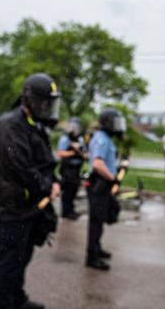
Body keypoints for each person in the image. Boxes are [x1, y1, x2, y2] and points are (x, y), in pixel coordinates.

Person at [0, 73, 62, 309]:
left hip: (32, 206)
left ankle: (17, 298)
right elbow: (20, 164)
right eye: (44, 102)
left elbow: (44, 161)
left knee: (23, 257)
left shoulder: (35, 124)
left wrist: (55, 181)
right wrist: (46, 186)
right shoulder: (10, 124)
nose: (48, 108)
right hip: (15, 207)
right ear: (30, 100)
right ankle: (3, 304)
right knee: (10, 261)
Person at [86, 107, 126, 271]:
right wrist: (113, 177)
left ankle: (97, 249)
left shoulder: (104, 137)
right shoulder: (102, 139)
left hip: (102, 185)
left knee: (100, 219)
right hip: (99, 184)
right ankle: (92, 257)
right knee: (96, 221)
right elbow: (97, 164)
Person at [56, 117, 87, 220]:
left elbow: (85, 152)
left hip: (77, 168)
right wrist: (73, 152)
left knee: (74, 190)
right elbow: (60, 153)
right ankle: (66, 212)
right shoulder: (65, 138)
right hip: (68, 168)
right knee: (67, 191)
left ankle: (71, 210)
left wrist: (82, 154)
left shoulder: (80, 139)